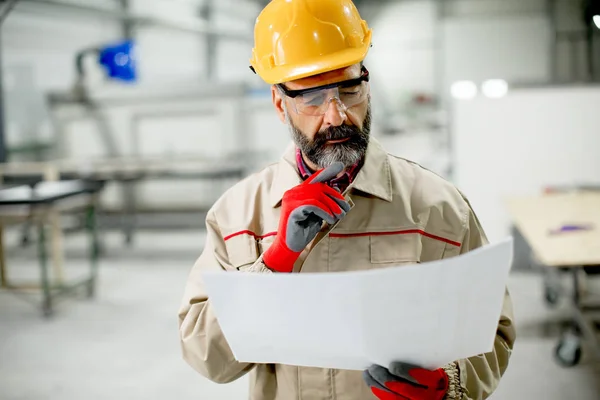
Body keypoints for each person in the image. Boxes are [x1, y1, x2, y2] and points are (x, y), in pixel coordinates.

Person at [178, 0, 516, 399]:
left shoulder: (437, 207)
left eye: (349, 88)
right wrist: (274, 263)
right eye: (313, 98)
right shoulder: (238, 215)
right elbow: (207, 358)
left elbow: (493, 332)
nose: (337, 115)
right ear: (279, 104)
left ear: (366, 84)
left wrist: (450, 386)